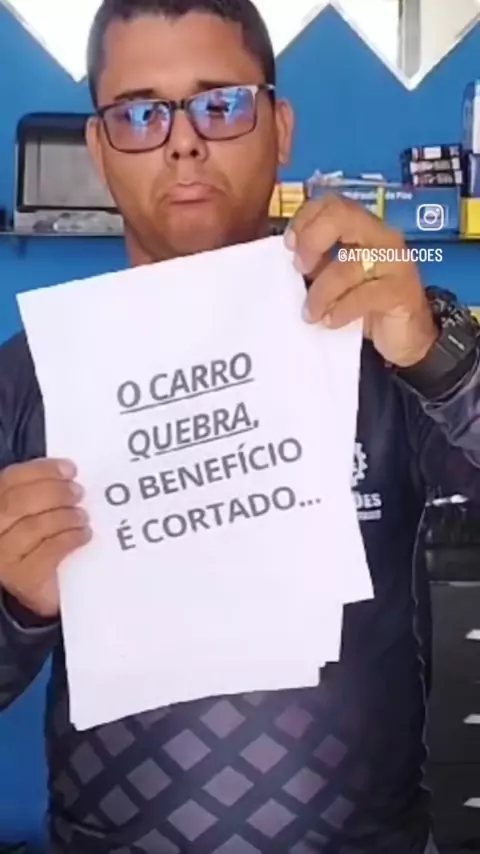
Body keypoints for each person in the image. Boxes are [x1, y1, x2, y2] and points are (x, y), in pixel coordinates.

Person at [0, 1, 479, 851]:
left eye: (220, 105)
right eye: (140, 115)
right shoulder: (29, 376)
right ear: (99, 152)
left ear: (281, 127)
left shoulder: (387, 329)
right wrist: (14, 606)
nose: (183, 142)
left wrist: (437, 354)